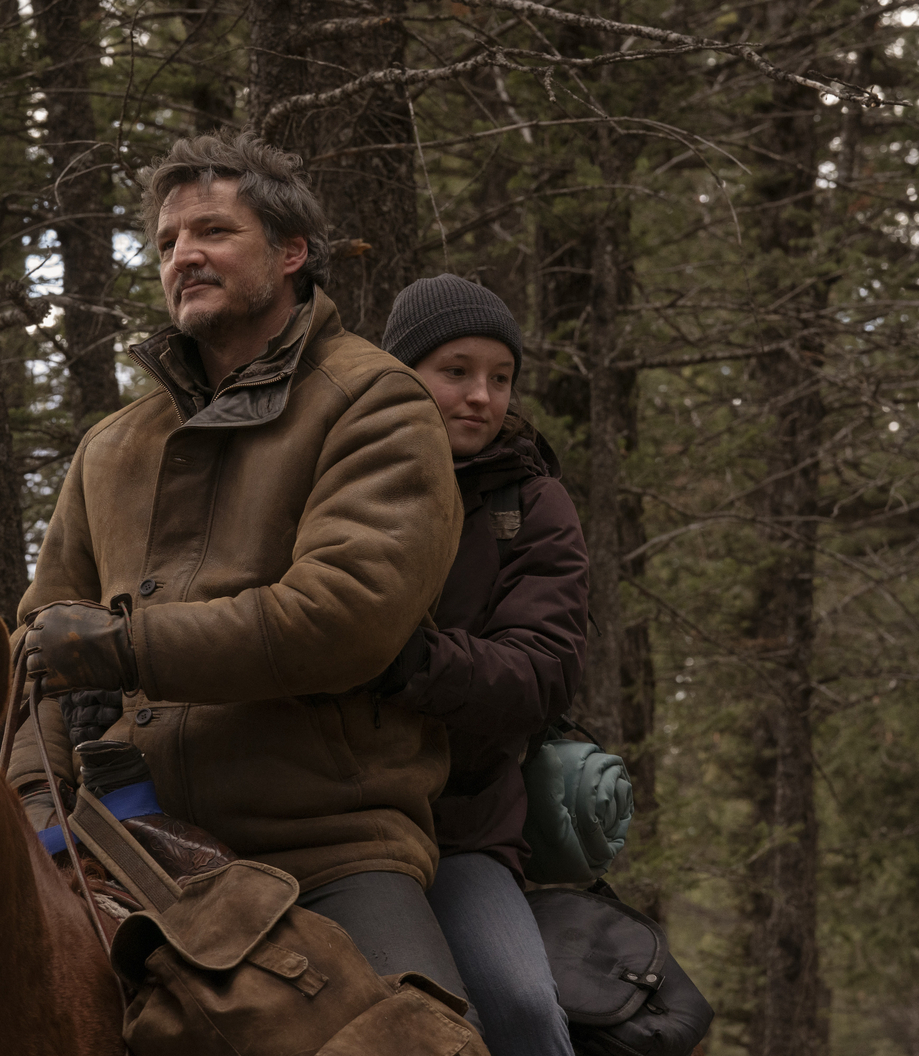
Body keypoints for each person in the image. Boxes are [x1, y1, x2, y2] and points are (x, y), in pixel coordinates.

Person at [9, 134, 480, 1016]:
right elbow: (34, 652)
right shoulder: (112, 446)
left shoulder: (375, 401)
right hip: (122, 849)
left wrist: (126, 647)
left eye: (213, 232)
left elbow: (345, 616)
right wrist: (37, 807)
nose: (183, 255)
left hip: (325, 848)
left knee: (418, 1040)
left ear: (291, 251)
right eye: (166, 242)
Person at [373, 274, 589, 1056]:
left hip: (461, 831)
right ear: (400, 374)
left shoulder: (532, 504)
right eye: (456, 371)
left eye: (501, 378)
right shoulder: (343, 478)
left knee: (521, 1006)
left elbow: (542, 672)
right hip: (328, 818)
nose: (481, 397)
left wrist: (410, 663)